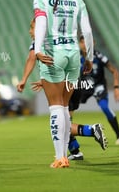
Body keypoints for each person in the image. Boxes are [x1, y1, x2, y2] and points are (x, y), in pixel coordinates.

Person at [32, 0, 94, 168]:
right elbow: (86, 31)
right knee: (65, 106)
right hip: (74, 55)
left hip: (53, 54)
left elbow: (40, 23)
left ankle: (60, 157)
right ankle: (64, 154)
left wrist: (38, 49)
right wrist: (90, 58)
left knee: (56, 107)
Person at [17, 18, 107, 161]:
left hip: (63, 85)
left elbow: (31, 59)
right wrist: (45, 81)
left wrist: (23, 79)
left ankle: (91, 130)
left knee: (61, 122)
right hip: (73, 82)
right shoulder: (60, 40)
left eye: (32, 27)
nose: (30, 31)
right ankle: (75, 151)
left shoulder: (40, 42)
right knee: (65, 120)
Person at [78, 36, 119, 145]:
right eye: (82, 42)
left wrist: (116, 88)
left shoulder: (99, 56)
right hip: (83, 86)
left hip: (99, 86)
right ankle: (71, 145)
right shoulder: (75, 56)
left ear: (93, 42)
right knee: (68, 109)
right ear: (79, 44)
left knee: (104, 107)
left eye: (87, 41)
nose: (85, 44)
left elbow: (114, 71)